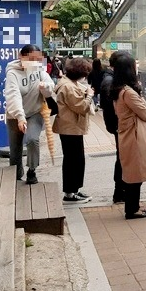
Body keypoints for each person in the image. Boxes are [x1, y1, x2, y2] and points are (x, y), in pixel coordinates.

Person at [112, 55, 146, 219]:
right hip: (135, 135)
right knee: (135, 172)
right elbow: (143, 111)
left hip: (129, 133)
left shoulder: (119, 90)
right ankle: (132, 209)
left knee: (133, 171)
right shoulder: (128, 93)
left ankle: (134, 206)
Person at [5, 45, 55, 184]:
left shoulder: (38, 69)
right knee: (15, 150)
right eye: (31, 58)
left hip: (34, 112)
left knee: (33, 140)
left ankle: (32, 170)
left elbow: (51, 86)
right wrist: (20, 117)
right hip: (15, 116)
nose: (35, 62)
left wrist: (45, 87)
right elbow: (13, 95)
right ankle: (16, 176)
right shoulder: (12, 73)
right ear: (21, 56)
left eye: (37, 59)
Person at [52, 57, 94, 203]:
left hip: (70, 127)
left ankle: (74, 190)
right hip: (70, 127)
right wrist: (89, 95)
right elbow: (81, 107)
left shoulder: (67, 83)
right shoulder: (68, 87)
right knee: (73, 161)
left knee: (75, 160)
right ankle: (70, 193)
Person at [100, 51, 128, 203]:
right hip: (119, 125)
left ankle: (120, 191)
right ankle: (120, 192)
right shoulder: (110, 81)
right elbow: (111, 107)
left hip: (117, 125)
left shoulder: (110, 79)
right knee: (122, 158)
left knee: (122, 157)